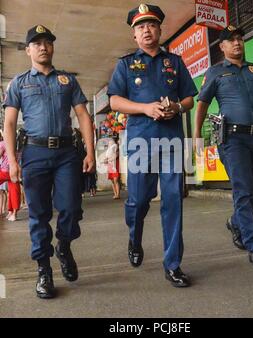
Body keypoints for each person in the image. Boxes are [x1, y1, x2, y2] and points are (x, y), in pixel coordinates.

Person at [108, 4, 197, 287]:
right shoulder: (125, 64)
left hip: (171, 141)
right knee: (138, 200)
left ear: (159, 30)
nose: (147, 30)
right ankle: (135, 238)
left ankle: (173, 264)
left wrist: (177, 108)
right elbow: (114, 102)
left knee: (173, 201)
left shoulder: (175, 62)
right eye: (141, 26)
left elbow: (189, 99)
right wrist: (145, 108)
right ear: (134, 34)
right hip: (139, 143)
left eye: (151, 25)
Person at [3, 24, 95, 299]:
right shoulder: (19, 83)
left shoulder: (67, 81)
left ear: (52, 47)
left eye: (48, 42)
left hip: (67, 154)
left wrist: (90, 152)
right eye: (37, 43)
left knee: (70, 207)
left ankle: (63, 245)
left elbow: (83, 116)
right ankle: (44, 269)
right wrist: (13, 162)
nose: (44, 47)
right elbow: (8, 123)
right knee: (39, 214)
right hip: (34, 154)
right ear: (28, 50)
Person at [194, 25, 253, 268]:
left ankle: (236, 221)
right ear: (222, 47)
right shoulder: (215, 72)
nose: (237, 43)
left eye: (239, 39)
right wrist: (196, 134)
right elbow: (203, 104)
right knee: (244, 188)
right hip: (232, 139)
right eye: (231, 40)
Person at [0, 132, 21, 221]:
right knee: (14, 191)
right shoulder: (20, 147)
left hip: (4, 171)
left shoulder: (3, 143)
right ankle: (13, 213)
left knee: (13, 191)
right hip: (14, 172)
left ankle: (11, 212)